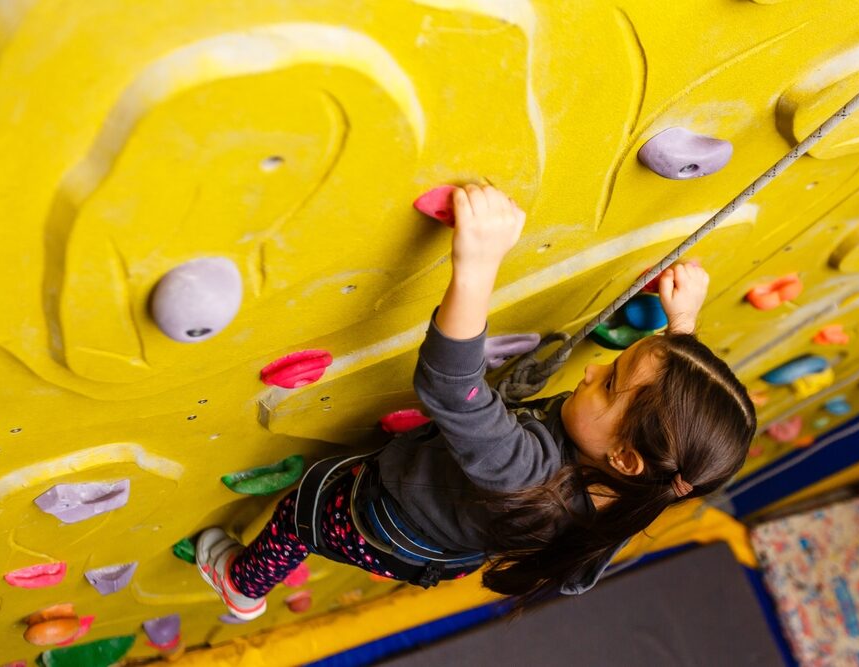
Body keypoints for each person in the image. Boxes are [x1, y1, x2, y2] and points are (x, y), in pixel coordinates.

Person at [196, 184, 756, 620]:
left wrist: (478, 265)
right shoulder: (644, 488)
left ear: (626, 456)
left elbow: (451, 389)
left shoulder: (529, 475)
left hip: (382, 524)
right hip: (447, 540)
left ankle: (244, 586)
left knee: (305, 508)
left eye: (609, 383)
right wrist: (680, 326)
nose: (592, 368)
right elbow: (661, 430)